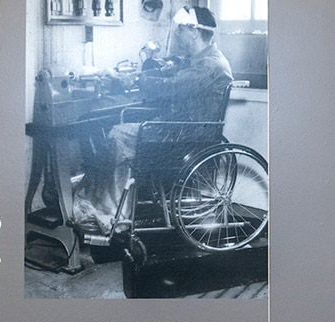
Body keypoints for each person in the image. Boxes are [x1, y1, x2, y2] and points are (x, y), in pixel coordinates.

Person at [73, 6, 233, 235]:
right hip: (180, 129)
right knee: (118, 133)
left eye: (180, 30)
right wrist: (148, 70)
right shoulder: (201, 59)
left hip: (185, 137)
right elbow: (175, 69)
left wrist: (134, 80)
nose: (177, 34)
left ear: (194, 32)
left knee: (117, 135)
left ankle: (109, 214)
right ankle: (108, 206)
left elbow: (173, 87)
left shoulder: (210, 65)